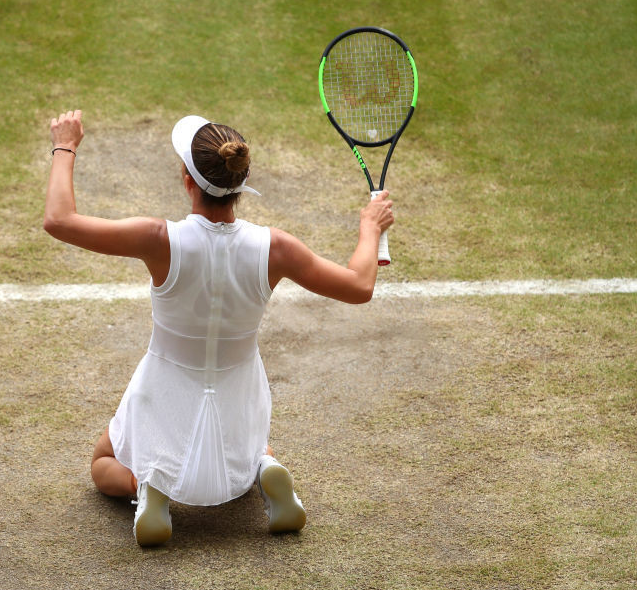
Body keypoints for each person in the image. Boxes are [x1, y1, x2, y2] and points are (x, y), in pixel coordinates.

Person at [44, 110, 393, 546]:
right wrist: (369, 227)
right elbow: (359, 286)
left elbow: (59, 220)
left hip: (163, 390)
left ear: (188, 181)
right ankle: (264, 468)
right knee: (251, 449)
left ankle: (148, 486)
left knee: (103, 463)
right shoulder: (276, 247)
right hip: (239, 394)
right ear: (240, 184)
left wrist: (65, 145)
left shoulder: (158, 238)